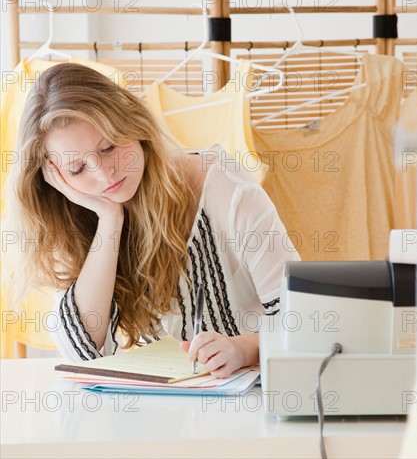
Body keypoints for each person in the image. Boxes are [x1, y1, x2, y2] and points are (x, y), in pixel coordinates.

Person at [4, 62, 300, 377]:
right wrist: (109, 219)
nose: (104, 174)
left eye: (109, 147)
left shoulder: (224, 188)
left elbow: (302, 321)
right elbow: (82, 350)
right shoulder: (75, 218)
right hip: (163, 411)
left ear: (133, 123)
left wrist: (243, 348)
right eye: (77, 168)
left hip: (257, 404)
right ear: (55, 176)